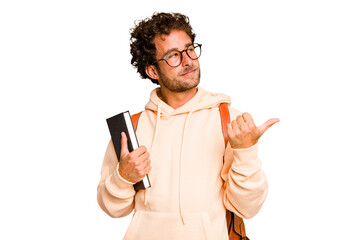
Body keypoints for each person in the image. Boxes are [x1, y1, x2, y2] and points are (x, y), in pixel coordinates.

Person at [97, 12, 279, 240]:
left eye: (189, 49)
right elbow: (113, 209)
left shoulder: (230, 122)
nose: (188, 60)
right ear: (152, 71)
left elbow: (247, 208)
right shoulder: (131, 129)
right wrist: (123, 177)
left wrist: (245, 151)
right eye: (173, 55)